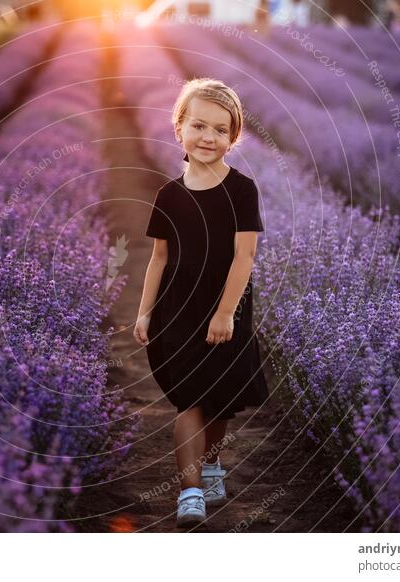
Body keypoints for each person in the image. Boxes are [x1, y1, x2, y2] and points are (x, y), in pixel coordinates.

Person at [133, 78, 269, 528]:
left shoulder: (242, 190)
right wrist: (144, 310)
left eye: (219, 129)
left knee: (217, 399)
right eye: (198, 126)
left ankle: (211, 465)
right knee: (190, 399)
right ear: (179, 129)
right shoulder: (168, 195)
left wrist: (227, 312)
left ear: (234, 137)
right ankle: (190, 491)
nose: (208, 137)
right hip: (178, 310)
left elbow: (245, 255)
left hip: (225, 305)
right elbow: (158, 258)